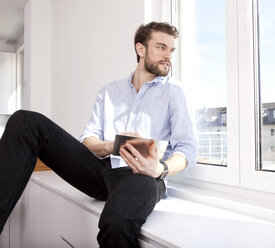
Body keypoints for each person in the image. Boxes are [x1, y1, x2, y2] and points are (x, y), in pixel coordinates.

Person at [0, 21, 197, 247]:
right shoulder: (110, 91)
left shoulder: (175, 92)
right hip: (101, 170)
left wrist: (160, 168)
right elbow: (88, 139)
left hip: (142, 174)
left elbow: (186, 149)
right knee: (25, 121)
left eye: (171, 50)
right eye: (161, 47)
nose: (168, 56)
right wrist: (113, 145)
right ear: (140, 49)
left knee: (116, 224)